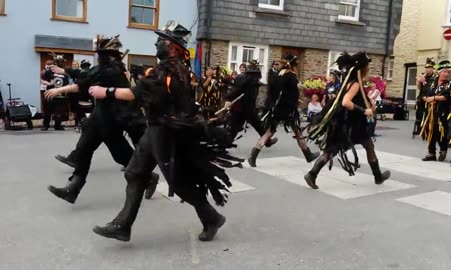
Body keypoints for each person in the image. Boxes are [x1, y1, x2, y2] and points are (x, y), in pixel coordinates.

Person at [89, 21, 242, 242]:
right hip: (156, 130)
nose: (156, 43)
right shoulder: (177, 68)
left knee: (179, 184)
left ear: (171, 46)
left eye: (160, 40)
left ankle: (212, 218)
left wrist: (106, 91)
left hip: (166, 132)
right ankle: (123, 226)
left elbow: (136, 93)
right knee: (134, 173)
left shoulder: (169, 70)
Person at [44, 35, 159, 204]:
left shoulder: (113, 70)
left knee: (122, 156)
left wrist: (61, 87)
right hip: (98, 118)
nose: (99, 57)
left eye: (101, 54)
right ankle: (73, 188)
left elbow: (87, 79)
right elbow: (88, 75)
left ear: (110, 55)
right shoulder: (105, 68)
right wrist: (65, 73)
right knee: (83, 148)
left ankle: (149, 178)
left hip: (113, 120)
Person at [304, 52, 390, 189]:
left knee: (336, 149)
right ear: (362, 68)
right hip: (353, 124)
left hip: (347, 123)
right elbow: (345, 102)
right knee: (366, 146)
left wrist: (368, 102)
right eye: (367, 65)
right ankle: (378, 176)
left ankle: (312, 174)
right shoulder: (355, 84)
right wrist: (365, 110)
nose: (368, 67)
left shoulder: (350, 82)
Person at [246, 54, 319, 167]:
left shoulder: (278, 74)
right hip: (288, 109)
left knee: (269, 132)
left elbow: (275, 92)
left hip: (276, 108)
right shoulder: (291, 75)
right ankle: (308, 154)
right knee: (297, 131)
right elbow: (294, 93)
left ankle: (253, 155)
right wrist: (296, 101)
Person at [224, 60, 278, 146]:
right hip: (243, 108)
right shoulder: (247, 79)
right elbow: (236, 90)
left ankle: (267, 141)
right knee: (235, 127)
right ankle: (224, 144)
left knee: (256, 125)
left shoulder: (251, 81)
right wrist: (228, 98)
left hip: (247, 108)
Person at [420, 60, 451, 162]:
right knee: (431, 131)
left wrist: (434, 98)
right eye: (444, 71)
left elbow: (447, 96)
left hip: (443, 113)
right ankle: (431, 153)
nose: (446, 74)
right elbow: (423, 94)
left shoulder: (450, 84)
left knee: (441, 132)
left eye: (448, 72)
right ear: (439, 72)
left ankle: (443, 149)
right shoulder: (431, 82)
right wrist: (427, 100)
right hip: (430, 112)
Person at [41, 55, 69, 131]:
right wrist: (50, 83)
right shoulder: (49, 71)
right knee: (48, 110)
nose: (60, 63)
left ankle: (58, 125)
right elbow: (42, 80)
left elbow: (66, 83)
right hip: (50, 93)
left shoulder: (64, 72)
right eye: (58, 61)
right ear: (55, 62)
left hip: (60, 94)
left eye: (61, 61)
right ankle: (46, 125)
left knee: (59, 110)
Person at [413, 58, 436, 137]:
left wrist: (424, 81)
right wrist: (419, 82)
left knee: (427, 113)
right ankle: (419, 129)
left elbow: (430, 89)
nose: (427, 69)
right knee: (419, 113)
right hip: (422, 97)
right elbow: (420, 88)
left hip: (429, 98)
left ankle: (426, 130)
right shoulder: (424, 75)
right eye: (426, 68)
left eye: (429, 68)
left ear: (433, 68)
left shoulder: (435, 78)